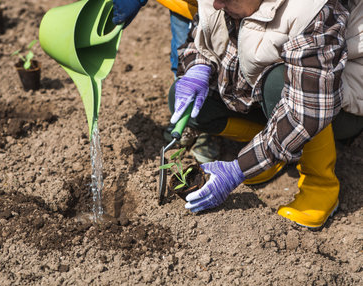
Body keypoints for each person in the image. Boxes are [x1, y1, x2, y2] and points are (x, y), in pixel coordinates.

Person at [114, 0, 363, 228]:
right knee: (190, 106)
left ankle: (320, 186)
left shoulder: (313, 9)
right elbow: (200, 35)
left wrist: (237, 170)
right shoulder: (224, 1)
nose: (216, 3)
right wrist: (197, 65)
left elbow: (308, 111)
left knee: (279, 83)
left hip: (333, 106)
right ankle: (269, 152)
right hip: (269, 92)